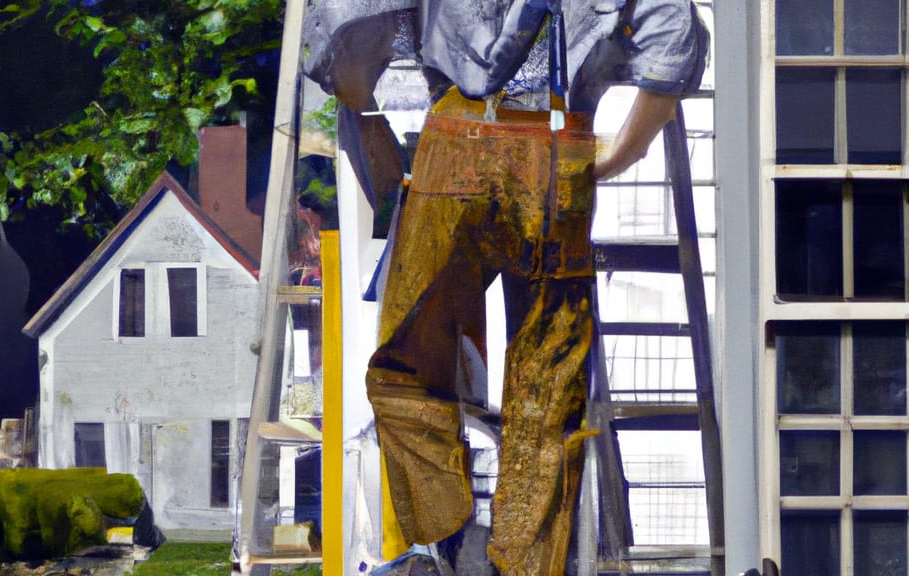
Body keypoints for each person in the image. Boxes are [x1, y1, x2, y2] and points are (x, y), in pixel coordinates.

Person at [303, 1, 709, 574]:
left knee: (406, 366)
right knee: (548, 385)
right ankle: (522, 563)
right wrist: (620, 155)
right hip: (558, 145)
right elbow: (671, 39)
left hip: (454, 143)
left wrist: (365, 114)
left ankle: (449, 539)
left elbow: (341, 27)